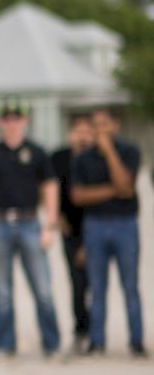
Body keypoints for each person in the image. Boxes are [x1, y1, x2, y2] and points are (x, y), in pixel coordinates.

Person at [0, 99, 61, 358]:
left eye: (17, 118)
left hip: (30, 223)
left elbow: (50, 187)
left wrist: (50, 225)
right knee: (2, 292)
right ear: (1, 122)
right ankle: (5, 345)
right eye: (7, 119)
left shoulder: (37, 152)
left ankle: (51, 344)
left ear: (25, 121)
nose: (12, 123)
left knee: (42, 289)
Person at [71, 108, 145, 357]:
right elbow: (79, 195)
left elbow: (126, 187)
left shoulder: (129, 152)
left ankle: (136, 341)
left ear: (115, 125)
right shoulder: (82, 159)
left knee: (130, 285)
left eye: (105, 125)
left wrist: (109, 152)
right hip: (96, 225)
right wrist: (113, 190)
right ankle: (97, 341)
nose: (100, 130)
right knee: (97, 287)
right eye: (95, 126)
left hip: (125, 224)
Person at [51, 114, 94, 352]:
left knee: (95, 283)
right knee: (77, 283)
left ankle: (95, 334)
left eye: (87, 132)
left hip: (96, 227)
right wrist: (56, 217)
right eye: (78, 132)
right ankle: (81, 330)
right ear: (70, 134)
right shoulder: (59, 158)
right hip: (70, 228)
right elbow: (49, 189)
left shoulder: (97, 158)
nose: (82, 137)